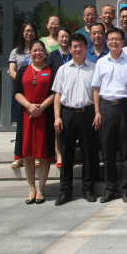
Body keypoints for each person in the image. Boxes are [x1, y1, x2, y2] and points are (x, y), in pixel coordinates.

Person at [53, 33, 99, 205]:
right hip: (68, 114)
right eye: (75, 46)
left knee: (88, 152)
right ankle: (65, 191)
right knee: (67, 153)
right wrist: (57, 117)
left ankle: (88, 189)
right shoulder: (63, 69)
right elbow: (58, 95)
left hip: (88, 113)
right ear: (69, 49)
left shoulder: (94, 68)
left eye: (81, 46)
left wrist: (97, 112)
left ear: (86, 48)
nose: (78, 49)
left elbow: (97, 93)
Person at [91, 27, 127, 203]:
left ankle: (125, 189)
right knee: (108, 151)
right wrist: (97, 111)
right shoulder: (101, 62)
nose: (114, 42)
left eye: (117, 39)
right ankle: (109, 189)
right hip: (107, 107)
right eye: (111, 39)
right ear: (106, 41)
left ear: (123, 42)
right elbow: (96, 89)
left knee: (126, 150)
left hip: (124, 106)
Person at [14, 40, 55, 204]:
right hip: (26, 116)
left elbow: (55, 92)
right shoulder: (23, 70)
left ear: (45, 52)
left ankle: (41, 189)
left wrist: (41, 108)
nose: (37, 53)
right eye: (34, 50)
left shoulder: (51, 70)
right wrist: (30, 106)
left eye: (40, 50)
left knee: (44, 154)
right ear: (30, 53)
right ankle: (31, 189)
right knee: (28, 154)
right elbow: (17, 92)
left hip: (45, 115)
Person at [9, 22, 38, 159]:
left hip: (36, 90)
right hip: (21, 90)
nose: (29, 33)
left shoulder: (38, 50)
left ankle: (36, 154)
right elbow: (12, 70)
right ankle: (20, 156)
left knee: (36, 123)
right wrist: (23, 82)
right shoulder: (15, 52)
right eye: (26, 31)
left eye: (31, 31)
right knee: (21, 124)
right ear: (22, 33)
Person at [46, 27, 72, 168]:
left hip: (71, 94)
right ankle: (59, 155)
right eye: (61, 36)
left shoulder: (74, 54)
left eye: (66, 36)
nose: (64, 39)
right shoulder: (52, 55)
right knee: (57, 126)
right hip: (56, 93)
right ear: (57, 39)